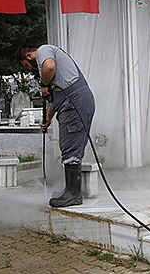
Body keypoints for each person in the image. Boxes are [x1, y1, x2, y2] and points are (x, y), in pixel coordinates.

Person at [18, 45, 96, 207]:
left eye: (27, 65)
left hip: (75, 102)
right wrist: (46, 121)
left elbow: (49, 66)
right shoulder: (55, 78)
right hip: (73, 103)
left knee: (71, 146)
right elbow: (53, 103)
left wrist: (44, 85)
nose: (31, 69)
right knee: (69, 145)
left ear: (29, 55)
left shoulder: (44, 51)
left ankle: (73, 195)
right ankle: (70, 190)